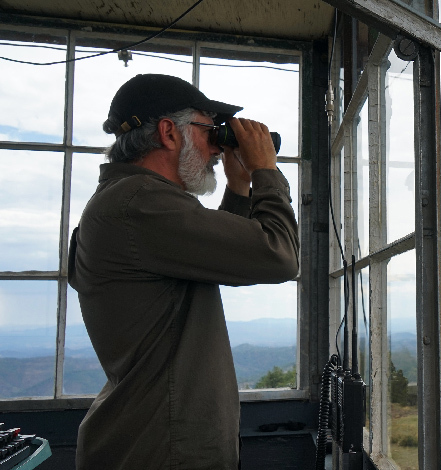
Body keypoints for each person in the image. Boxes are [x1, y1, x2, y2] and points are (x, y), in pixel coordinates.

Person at [67, 74, 300, 470]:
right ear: (168, 133)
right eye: (211, 131)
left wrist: (239, 187)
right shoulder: (141, 202)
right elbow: (278, 255)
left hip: (152, 440)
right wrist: (266, 172)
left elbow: (219, 261)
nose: (216, 147)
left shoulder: (125, 202)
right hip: (163, 449)